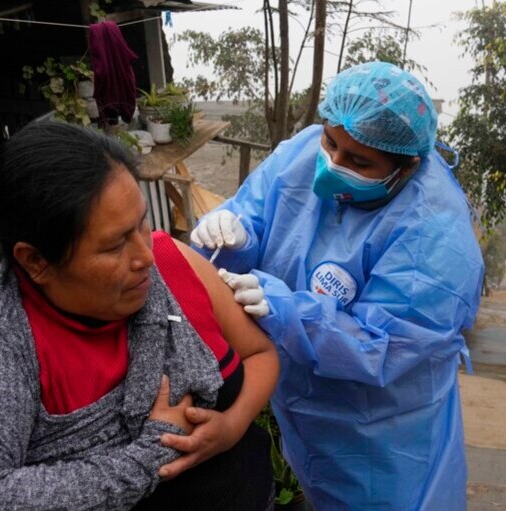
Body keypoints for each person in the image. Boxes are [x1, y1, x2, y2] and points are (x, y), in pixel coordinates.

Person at [0, 122, 278, 510]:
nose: (145, 256)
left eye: (141, 222)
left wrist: (230, 427)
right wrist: (147, 456)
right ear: (36, 260)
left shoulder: (172, 261)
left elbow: (260, 354)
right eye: (114, 245)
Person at [189, 62, 484, 510]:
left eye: (359, 161)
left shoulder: (435, 236)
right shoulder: (307, 151)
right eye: (330, 142)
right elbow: (260, 210)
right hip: (306, 410)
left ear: (406, 167)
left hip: (386, 436)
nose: (332, 164)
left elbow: (383, 345)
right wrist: (237, 236)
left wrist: (289, 312)